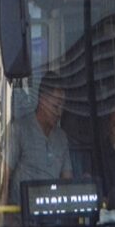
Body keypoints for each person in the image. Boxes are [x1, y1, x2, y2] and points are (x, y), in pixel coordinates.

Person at [8, 71, 72, 200]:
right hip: (21, 216)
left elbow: (67, 181)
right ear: (42, 100)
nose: (59, 112)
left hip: (53, 214)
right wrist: (3, 216)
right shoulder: (20, 130)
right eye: (55, 106)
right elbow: (4, 177)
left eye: (62, 107)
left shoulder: (61, 138)